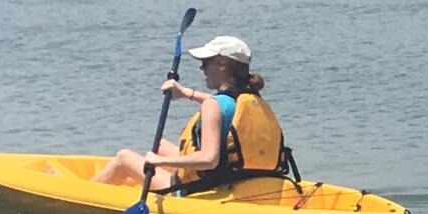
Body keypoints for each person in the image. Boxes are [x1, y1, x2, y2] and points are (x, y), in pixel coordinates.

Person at [93, 33, 292, 194]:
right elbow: (222, 106)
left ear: (222, 64)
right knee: (160, 146)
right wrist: (186, 93)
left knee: (123, 157)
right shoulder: (249, 98)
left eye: (206, 63)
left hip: (198, 188)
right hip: (238, 178)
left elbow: (209, 159)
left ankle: (86, 193)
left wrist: (159, 162)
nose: (201, 68)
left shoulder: (213, 106)